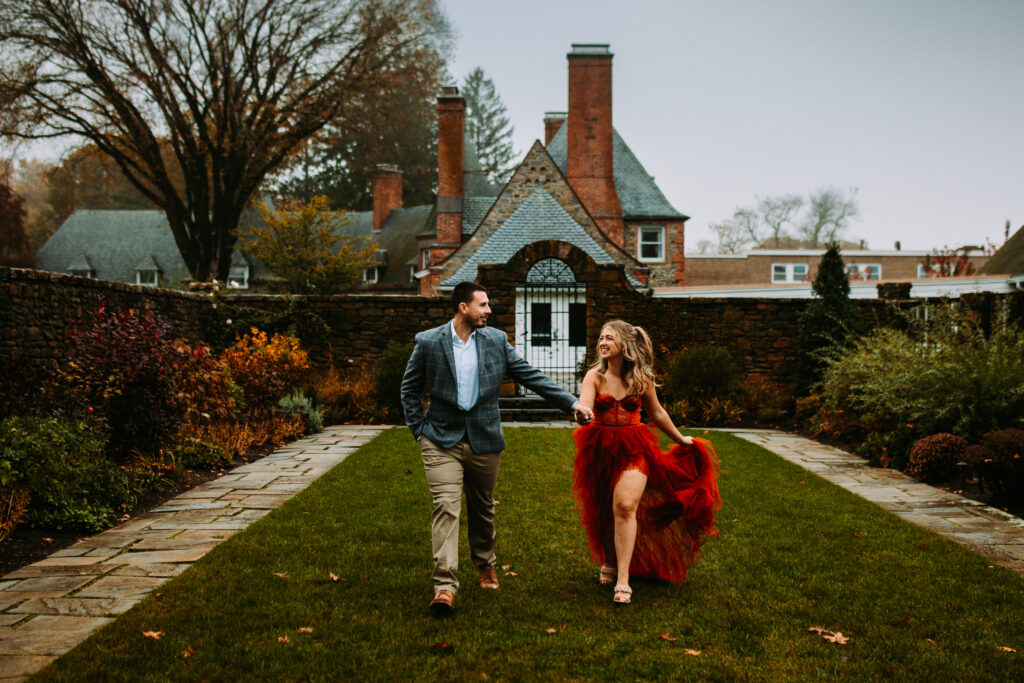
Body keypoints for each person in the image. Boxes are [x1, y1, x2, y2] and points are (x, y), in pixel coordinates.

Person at [401, 281, 594, 615]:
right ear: (464, 308)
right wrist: (421, 431)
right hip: (440, 439)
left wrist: (571, 403)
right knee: (446, 508)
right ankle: (444, 586)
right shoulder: (429, 342)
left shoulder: (495, 341)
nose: (489, 310)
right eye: (483, 305)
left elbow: (531, 376)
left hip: (484, 439)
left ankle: (484, 563)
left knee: (482, 509)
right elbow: (409, 390)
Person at [573, 320, 721, 606]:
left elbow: (658, 413)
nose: (603, 343)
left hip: (634, 447)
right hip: (599, 447)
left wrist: (681, 440)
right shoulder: (595, 376)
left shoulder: (642, 379)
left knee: (626, 506)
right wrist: (582, 415)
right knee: (604, 507)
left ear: (624, 345)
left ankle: (624, 579)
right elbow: (585, 405)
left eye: (609, 339)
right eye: (601, 339)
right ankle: (610, 559)